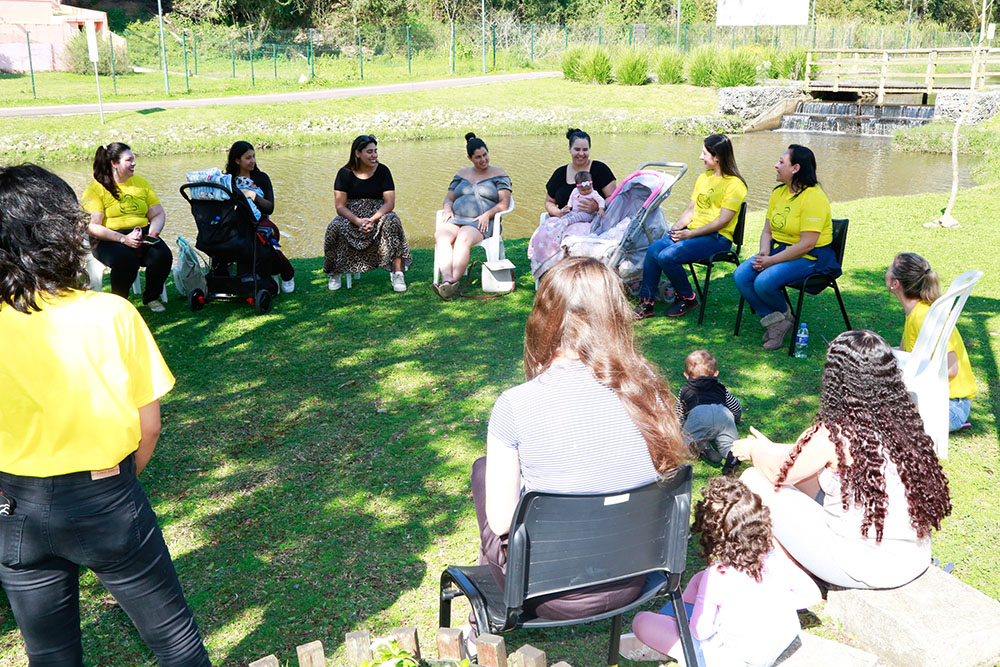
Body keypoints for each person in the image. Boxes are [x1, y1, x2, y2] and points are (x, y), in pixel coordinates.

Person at [0, 164, 210, 665]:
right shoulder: (111, 313)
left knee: (50, 655)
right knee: (175, 643)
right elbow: (149, 426)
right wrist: (116, 484)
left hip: (14, 509)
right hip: (106, 498)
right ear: (64, 232)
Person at [473, 257, 690, 623]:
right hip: (634, 578)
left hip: (546, 594)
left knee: (484, 472)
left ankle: (486, 615)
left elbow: (501, 523)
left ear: (543, 316)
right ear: (615, 314)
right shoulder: (649, 390)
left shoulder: (515, 404)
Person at [733, 330, 952, 589]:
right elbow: (809, 458)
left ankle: (790, 577)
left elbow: (774, 472)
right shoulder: (905, 418)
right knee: (809, 477)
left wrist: (754, 450)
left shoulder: (833, 433)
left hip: (866, 568)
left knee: (752, 479)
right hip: (914, 558)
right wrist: (776, 448)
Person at [624, 477, 820, 666]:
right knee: (698, 579)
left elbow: (701, 631)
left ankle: (669, 638)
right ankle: (671, 622)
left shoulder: (718, 576)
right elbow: (812, 595)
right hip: (780, 640)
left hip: (735, 659)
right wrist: (769, 602)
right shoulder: (772, 556)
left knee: (642, 621)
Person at [733, 144, 839, 350]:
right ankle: (779, 322)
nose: (776, 165)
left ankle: (780, 322)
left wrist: (770, 261)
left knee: (764, 281)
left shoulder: (814, 197)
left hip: (811, 257)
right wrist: (764, 252)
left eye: (781, 162)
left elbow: (807, 244)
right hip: (778, 250)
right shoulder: (778, 193)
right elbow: (767, 231)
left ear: (796, 168)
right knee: (741, 275)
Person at [634, 134, 747, 320]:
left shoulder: (735, 185)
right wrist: (676, 229)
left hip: (717, 239)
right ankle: (646, 303)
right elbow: (691, 209)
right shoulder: (704, 178)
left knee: (667, 256)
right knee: (655, 249)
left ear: (717, 157)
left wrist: (690, 234)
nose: (700, 157)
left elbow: (723, 221)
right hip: (694, 234)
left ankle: (688, 297)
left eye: (704, 153)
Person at [887, 252, 976, 431]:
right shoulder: (916, 311)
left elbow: (951, 368)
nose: (886, 273)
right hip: (936, 401)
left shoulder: (923, 317)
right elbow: (904, 353)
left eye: (889, 269)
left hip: (950, 408)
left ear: (894, 283)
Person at [82, 142, 173, 313]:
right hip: (108, 238)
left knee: (163, 255)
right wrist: (123, 239)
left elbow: (158, 213)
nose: (134, 163)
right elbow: (92, 226)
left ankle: (151, 297)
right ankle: (120, 303)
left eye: (133, 159)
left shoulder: (141, 183)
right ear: (114, 163)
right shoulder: (96, 188)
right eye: (129, 160)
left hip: (141, 232)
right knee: (126, 261)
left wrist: (153, 233)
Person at [324, 134, 412, 292]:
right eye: (369, 152)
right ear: (358, 153)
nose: (374, 155)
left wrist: (372, 219)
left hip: (378, 215)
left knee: (393, 221)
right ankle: (335, 272)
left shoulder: (383, 171)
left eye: (375, 151)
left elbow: (390, 203)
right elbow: (340, 206)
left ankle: (397, 273)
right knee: (334, 226)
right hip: (352, 216)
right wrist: (357, 221)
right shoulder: (344, 174)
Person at [529, 128, 617, 280]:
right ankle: (549, 275)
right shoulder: (560, 174)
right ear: (570, 149)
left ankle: (576, 278)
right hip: (565, 218)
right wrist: (558, 212)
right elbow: (549, 202)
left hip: (595, 221)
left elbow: (614, 197)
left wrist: (596, 207)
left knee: (576, 238)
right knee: (544, 233)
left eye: (585, 149)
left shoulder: (600, 170)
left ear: (590, 149)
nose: (581, 154)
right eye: (577, 149)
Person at [433, 132, 513, 300]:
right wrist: (447, 207)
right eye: (478, 157)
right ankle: (447, 279)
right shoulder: (461, 173)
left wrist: (488, 214)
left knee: (463, 238)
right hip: (456, 219)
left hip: (481, 222)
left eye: (485, 155)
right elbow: (449, 197)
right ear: (469, 157)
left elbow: (504, 203)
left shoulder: (499, 173)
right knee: (441, 235)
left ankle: (453, 282)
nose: (483, 159)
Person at [225, 140, 295, 293]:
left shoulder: (261, 178)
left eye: (254, 156)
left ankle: (286, 272)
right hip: (237, 223)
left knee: (261, 237)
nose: (253, 161)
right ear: (237, 160)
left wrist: (252, 195)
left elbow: (269, 208)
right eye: (248, 158)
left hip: (260, 221)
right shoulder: (227, 181)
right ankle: (264, 275)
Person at [676, 350, 743, 474]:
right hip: (723, 414)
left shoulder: (685, 390)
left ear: (686, 375)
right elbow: (736, 407)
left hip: (698, 414)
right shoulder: (721, 388)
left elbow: (679, 413)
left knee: (683, 445)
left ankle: (698, 446)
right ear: (716, 373)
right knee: (728, 443)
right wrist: (737, 419)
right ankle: (731, 456)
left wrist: (680, 428)